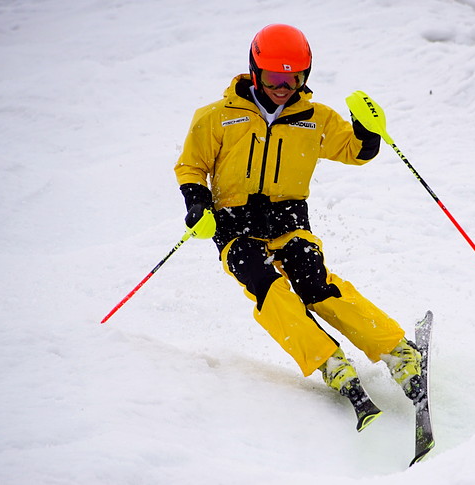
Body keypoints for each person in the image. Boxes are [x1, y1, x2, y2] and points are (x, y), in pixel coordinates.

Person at [174, 24, 422, 429]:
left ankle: (398, 352)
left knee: (315, 283)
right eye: (273, 77)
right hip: (234, 226)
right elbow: (191, 166)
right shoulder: (216, 118)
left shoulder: (314, 118)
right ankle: (330, 362)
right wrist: (197, 202)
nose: (282, 86)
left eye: (293, 78)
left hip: (288, 220)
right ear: (255, 71)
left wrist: (367, 133)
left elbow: (354, 150)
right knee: (266, 286)